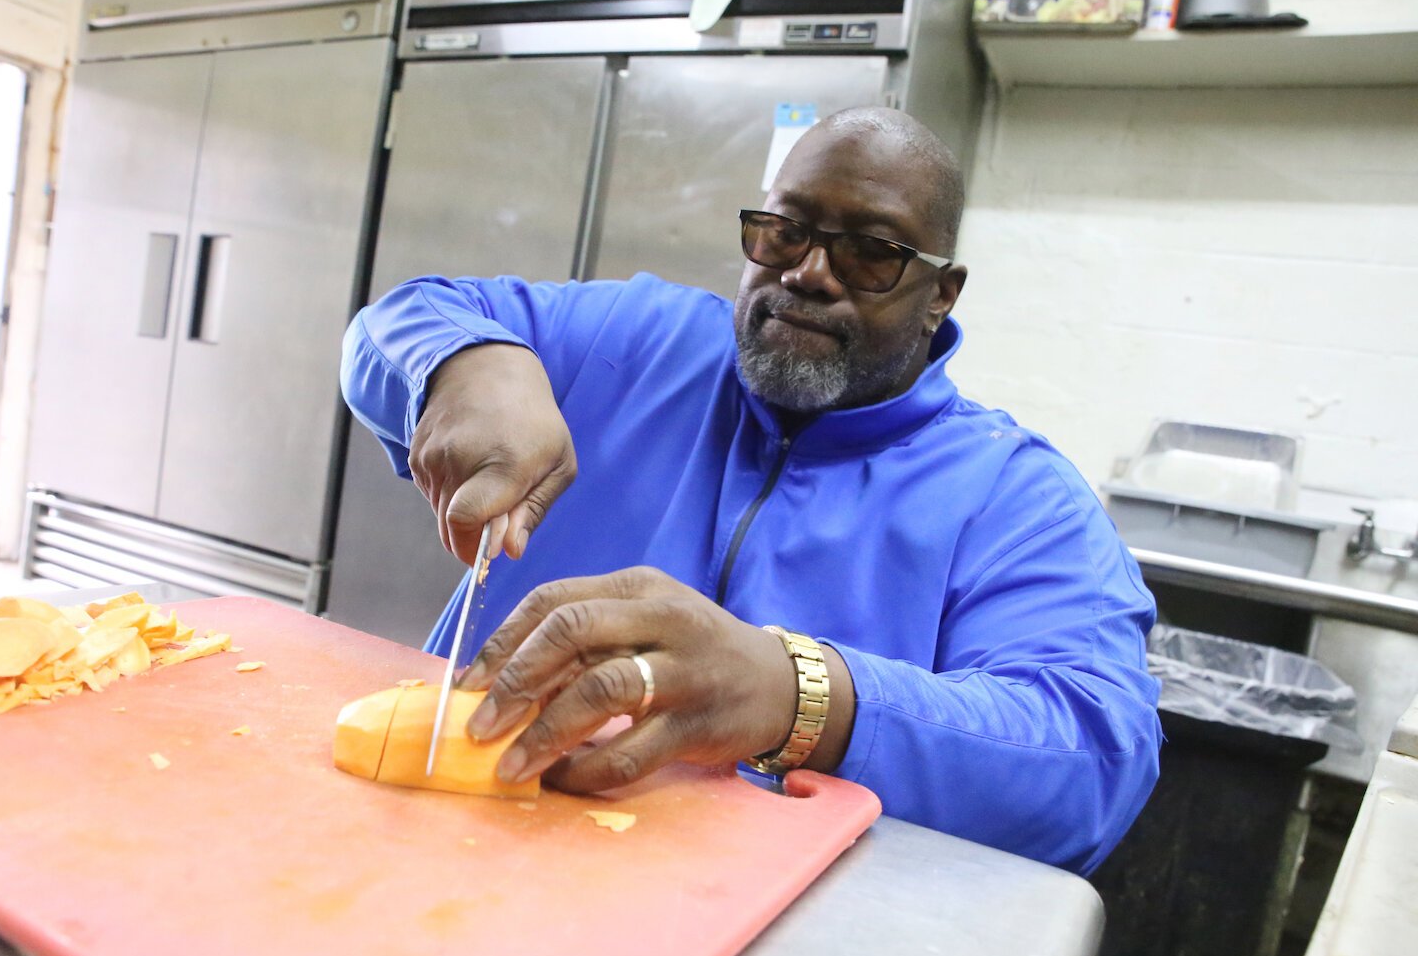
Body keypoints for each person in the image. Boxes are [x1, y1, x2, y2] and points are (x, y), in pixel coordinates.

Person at [341, 106, 1161, 874]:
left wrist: (797, 693)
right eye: (785, 231)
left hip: (758, 951)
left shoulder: (1016, 499)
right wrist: (468, 365)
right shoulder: (637, 340)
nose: (808, 273)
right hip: (450, 852)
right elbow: (406, 317)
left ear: (941, 293)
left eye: (872, 251)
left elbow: (1090, 767)